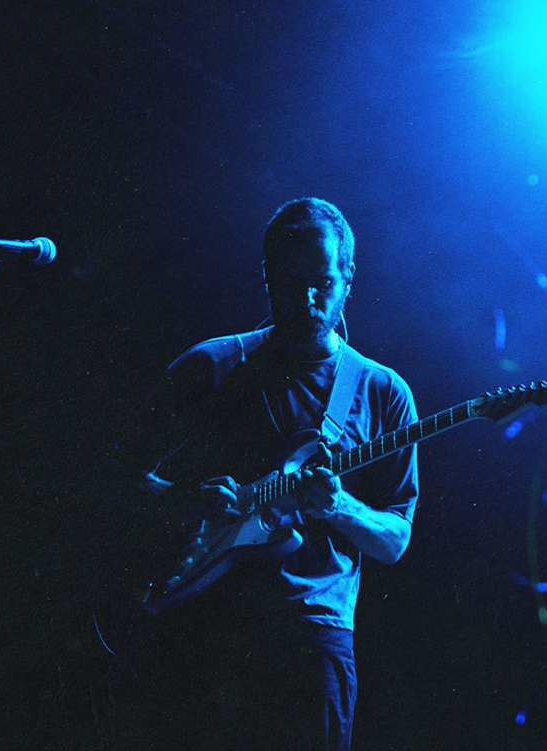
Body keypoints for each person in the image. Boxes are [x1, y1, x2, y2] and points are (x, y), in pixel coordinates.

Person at [108, 197, 418, 751]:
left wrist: (340, 507)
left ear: (348, 276)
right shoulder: (212, 365)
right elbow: (115, 479)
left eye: (323, 283)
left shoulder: (382, 392)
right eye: (291, 282)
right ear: (266, 276)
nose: (308, 299)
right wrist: (185, 499)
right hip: (204, 621)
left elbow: (395, 540)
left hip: (313, 632)